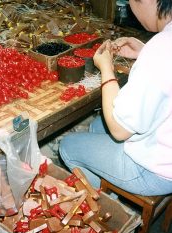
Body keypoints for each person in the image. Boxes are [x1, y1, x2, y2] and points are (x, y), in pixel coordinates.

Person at [59, 0, 172, 196]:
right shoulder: (163, 44)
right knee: (96, 126)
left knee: (68, 146)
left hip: (155, 171)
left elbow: (119, 131)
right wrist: (144, 50)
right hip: (164, 140)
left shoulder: (160, 49)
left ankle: (107, 202)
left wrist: (106, 69)